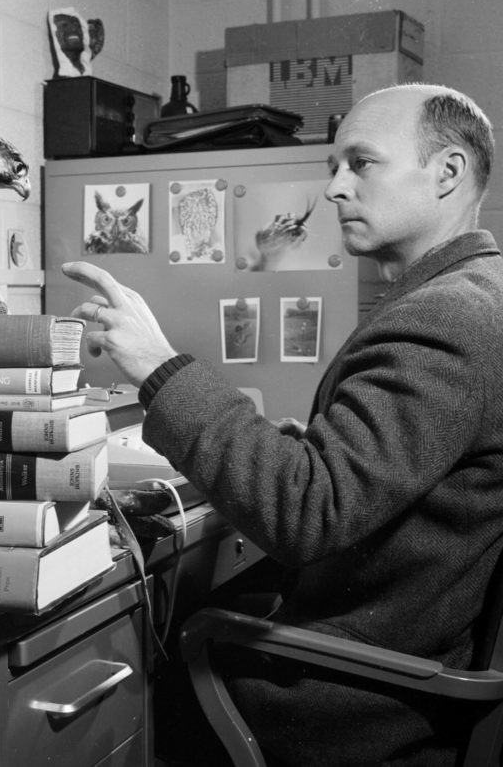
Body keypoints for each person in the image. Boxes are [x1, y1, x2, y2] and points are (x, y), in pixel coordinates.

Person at [61, 83, 502, 766]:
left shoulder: (444, 319)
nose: (334, 189)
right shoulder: (479, 294)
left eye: (361, 163)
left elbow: (306, 511)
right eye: (334, 167)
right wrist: (292, 446)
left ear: (447, 173)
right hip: (412, 652)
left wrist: (159, 365)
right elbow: (369, 475)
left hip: (360, 704)